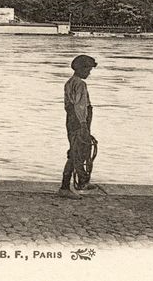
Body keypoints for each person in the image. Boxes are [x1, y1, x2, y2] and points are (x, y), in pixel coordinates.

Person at [58, 54, 98, 199]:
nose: (89, 73)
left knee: (78, 150)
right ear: (81, 69)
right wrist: (83, 126)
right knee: (76, 152)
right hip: (79, 120)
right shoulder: (80, 84)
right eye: (88, 70)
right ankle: (65, 187)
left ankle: (81, 181)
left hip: (71, 119)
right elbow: (80, 107)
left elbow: (69, 106)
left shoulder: (69, 82)